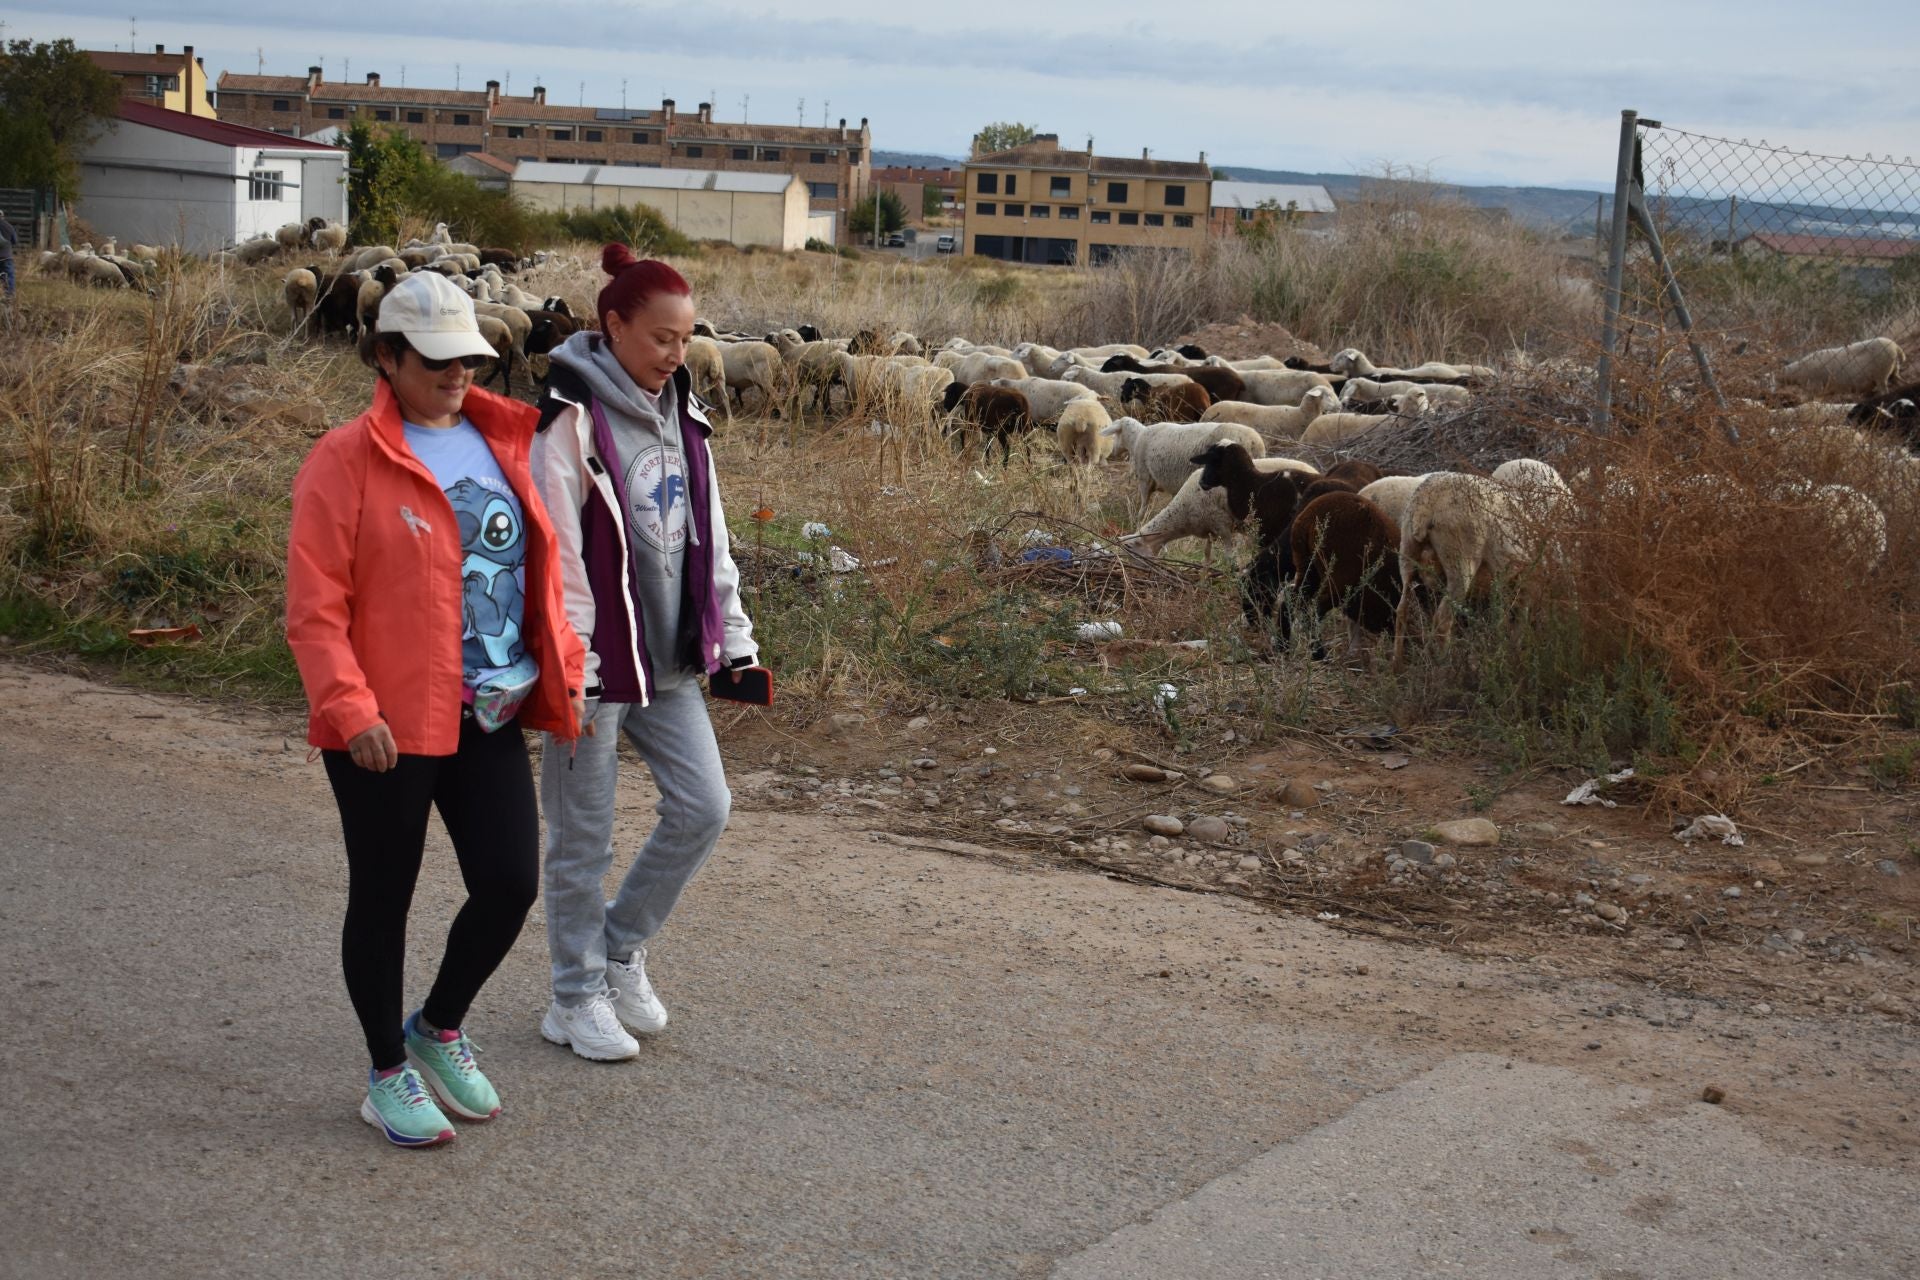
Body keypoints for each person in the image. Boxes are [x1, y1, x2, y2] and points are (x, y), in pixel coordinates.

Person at [286, 271, 585, 1146]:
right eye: (440, 359)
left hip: (487, 710)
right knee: (384, 896)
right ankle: (386, 1071)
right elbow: (315, 607)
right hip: (384, 723)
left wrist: (563, 672)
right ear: (387, 356)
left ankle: (437, 1024)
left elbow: (534, 576)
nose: (462, 374)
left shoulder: (507, 440)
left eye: (473, 359)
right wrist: (348, 708)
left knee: (508, 883)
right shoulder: (344, 459)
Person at [531, 244, 758, 1062]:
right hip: (593, 665)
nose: (675, 353)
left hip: (665, 660)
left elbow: (712, 539)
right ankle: (573, 996)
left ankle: (620, 948)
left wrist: (733, 641)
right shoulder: (569, 419)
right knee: (581, 837)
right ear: (614, 324)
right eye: (661, 337)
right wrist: (573, 666)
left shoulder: (684, 417)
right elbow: (554, 551)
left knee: (705, 807)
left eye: (685, 339)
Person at [0, 214, 18, 303]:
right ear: (2, 216)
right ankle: (9, 295)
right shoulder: (9, 226)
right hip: (6, 257)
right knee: (9, 276)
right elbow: (15, 241)